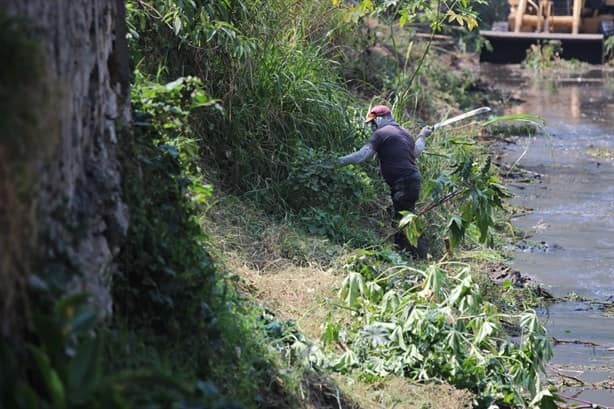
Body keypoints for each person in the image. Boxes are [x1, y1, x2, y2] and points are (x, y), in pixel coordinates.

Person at [337, 105, 432, 257]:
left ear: (379, 119)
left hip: (403, 183)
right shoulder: (404, 133)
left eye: (372, 124)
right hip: (412, 181)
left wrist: (337, 161)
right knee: (404, 217)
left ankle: (414, 256)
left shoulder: (381, 133)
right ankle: (410, 255)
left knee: (403, 221)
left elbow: (362, 155)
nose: (372, 128)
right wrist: (422, 135)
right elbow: (416, 152)